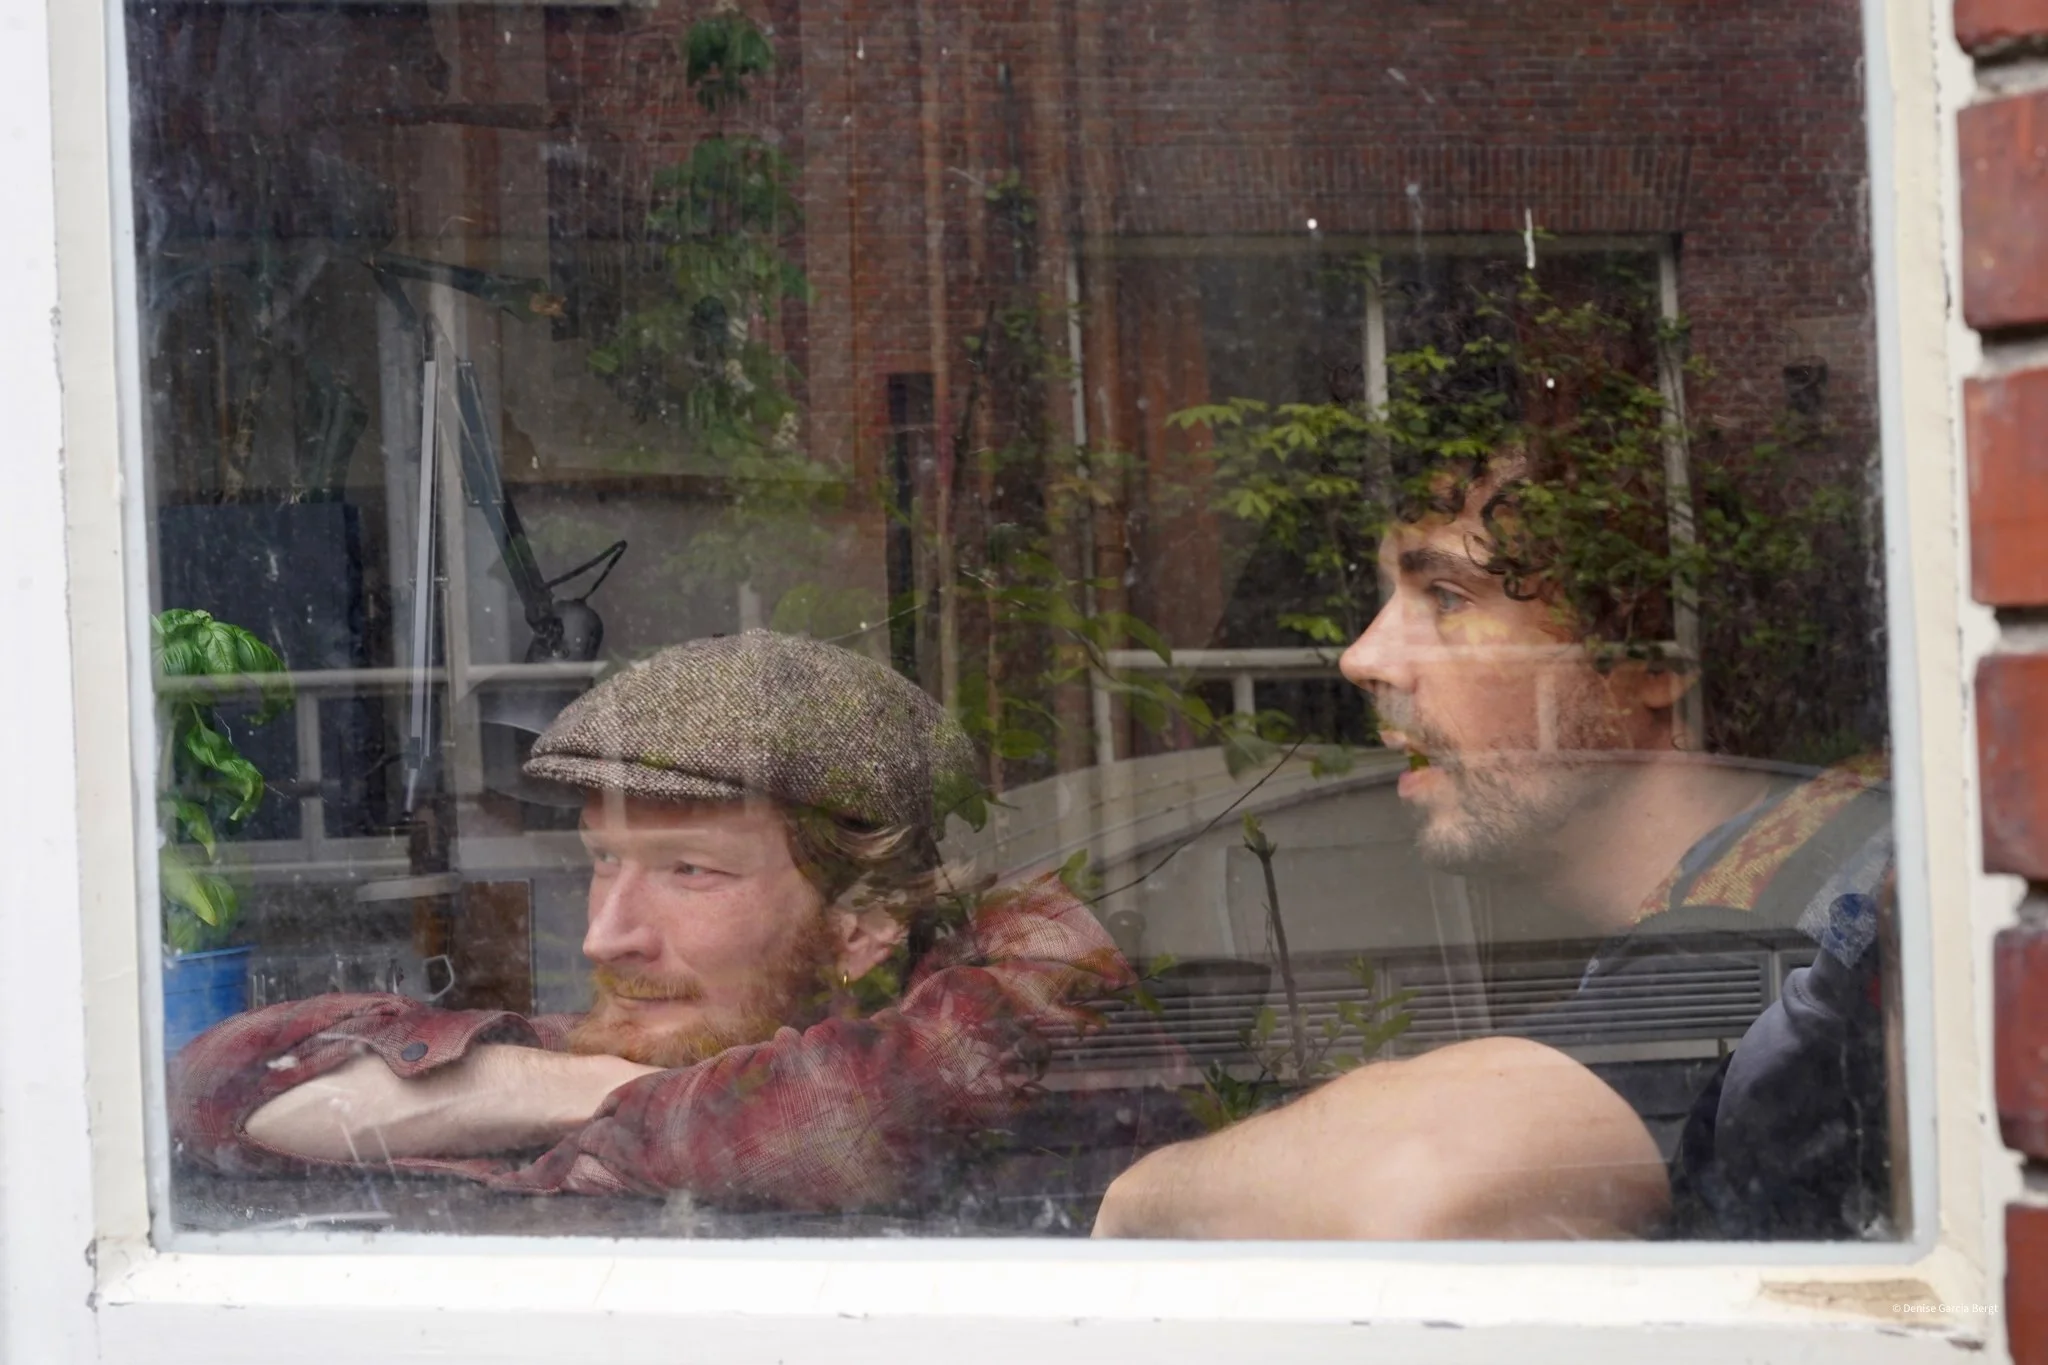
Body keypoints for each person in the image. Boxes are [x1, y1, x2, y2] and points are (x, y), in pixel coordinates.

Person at [1091, 454, 1892, 1241]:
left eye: (1445, 595)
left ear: (1649, 657)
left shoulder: (1757, 925)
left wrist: (1139, 1197)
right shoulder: (1820, 843)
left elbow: (1428, 1176)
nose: (1362, 657)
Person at [173, 631, 1133, 1211]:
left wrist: (549, 1101)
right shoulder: (669, 1039)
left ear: (862, 926)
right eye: (602, 861)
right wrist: (587, 1082)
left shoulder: (1034, 959)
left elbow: (855, 1115)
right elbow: (222, 1086)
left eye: (689, 870)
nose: (604, 936)